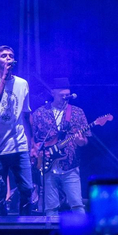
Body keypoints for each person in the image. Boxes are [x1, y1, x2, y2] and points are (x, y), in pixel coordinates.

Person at [0, 46, 33, 214]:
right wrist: (4, 78)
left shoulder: (23, 83)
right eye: (4, 56)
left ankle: (24, 230)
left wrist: (34, 142)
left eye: (11, 55)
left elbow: (25, 114)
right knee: (0, 193)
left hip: (19, 144)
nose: (8, 58)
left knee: (27, 189)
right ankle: (1, 232)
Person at [29, 80, 88, 213]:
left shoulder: (77, 113)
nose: (64, 98)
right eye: (61, 95)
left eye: (67, 95)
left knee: (77, 204)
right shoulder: (40, 113)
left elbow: (84, 141)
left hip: (70, 166)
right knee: (51, 207)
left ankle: (83, 233)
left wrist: (80, 142)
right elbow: (34, 140)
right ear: (52, 93)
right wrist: (36, 152)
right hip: (48, 167)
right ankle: (51, 233)